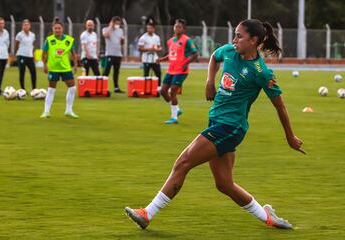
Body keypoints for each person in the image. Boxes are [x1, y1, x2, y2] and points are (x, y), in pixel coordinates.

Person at [125, 19, 306, 230]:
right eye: (235, 34)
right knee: (224, 184)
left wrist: (290, 137)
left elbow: (280, 106)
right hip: (217, 122)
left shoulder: (261, 72)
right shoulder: (229, 51)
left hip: (230, 128)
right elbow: (214, 56)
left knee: (183, 162)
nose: (234, 40)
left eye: (239, 36)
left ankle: (147, 213)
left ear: (253, 40)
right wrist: (209, 81)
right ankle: (267, 216)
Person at [157, 19, 198, 124]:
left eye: (179, 27)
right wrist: (161, 59)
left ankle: (174, 118)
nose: (176, 28)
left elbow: (195, 54)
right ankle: (176, 108)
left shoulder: (187, 40)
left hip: (181, 71)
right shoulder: (170, 41)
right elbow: (171, 55)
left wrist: (186, 63)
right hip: (171, 70)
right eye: (175, 26)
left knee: (173, 91)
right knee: (163, 91)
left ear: (183, 29)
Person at [40, 17, 78, 119]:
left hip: (66, 68)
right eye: (55, 28)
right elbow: (43, 54)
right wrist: (44, 65)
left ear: (62, 29)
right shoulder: (49, 40)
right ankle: (46, 111)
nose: (57, 30)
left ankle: (69, 110)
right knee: (51, 89)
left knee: (72, 88)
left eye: (59, 28)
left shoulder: (69, 40)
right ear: (53, 29)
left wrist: (75, 65)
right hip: (53, 68)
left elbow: (73, 54)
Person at [102, 16, 125, 93]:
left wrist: (122, 41)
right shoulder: (106, 29)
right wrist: (111, 28)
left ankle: (116, 87)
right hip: (110, 53)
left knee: (116, 71)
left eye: (119, 23)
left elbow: (121, 43)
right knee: (107, 71)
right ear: (112, 22)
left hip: (118, 54)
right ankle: (103, 87)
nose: (117, 25)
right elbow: (106, 36)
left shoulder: (121, 30)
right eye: (116, 23)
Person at [138, 22, 162, 92]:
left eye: (151, 28)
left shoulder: (157, 37)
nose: (149, 29)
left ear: (154, 29)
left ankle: (158, 87)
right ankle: (146, 87)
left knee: (158, 73)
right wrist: (149, 49)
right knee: (146, 74)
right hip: (146, 58)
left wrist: (158, 49)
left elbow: (159, 47)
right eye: (148, 28)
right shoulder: (143, 37)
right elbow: (140, 48)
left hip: (154, 58)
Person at [15, 19, 37, 90]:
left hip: (30, 56)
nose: (26, 26)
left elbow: (32, 45)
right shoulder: (19, 34)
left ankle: (34, 88)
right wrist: (17, 54)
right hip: (21, 55)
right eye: (25, 25)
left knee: (33, 72)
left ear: (30, 26)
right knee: (22, 72)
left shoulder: (32, 35)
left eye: (27, 25)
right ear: (22, 26)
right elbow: (16, 45)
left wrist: (33, 54)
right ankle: (22, 89)